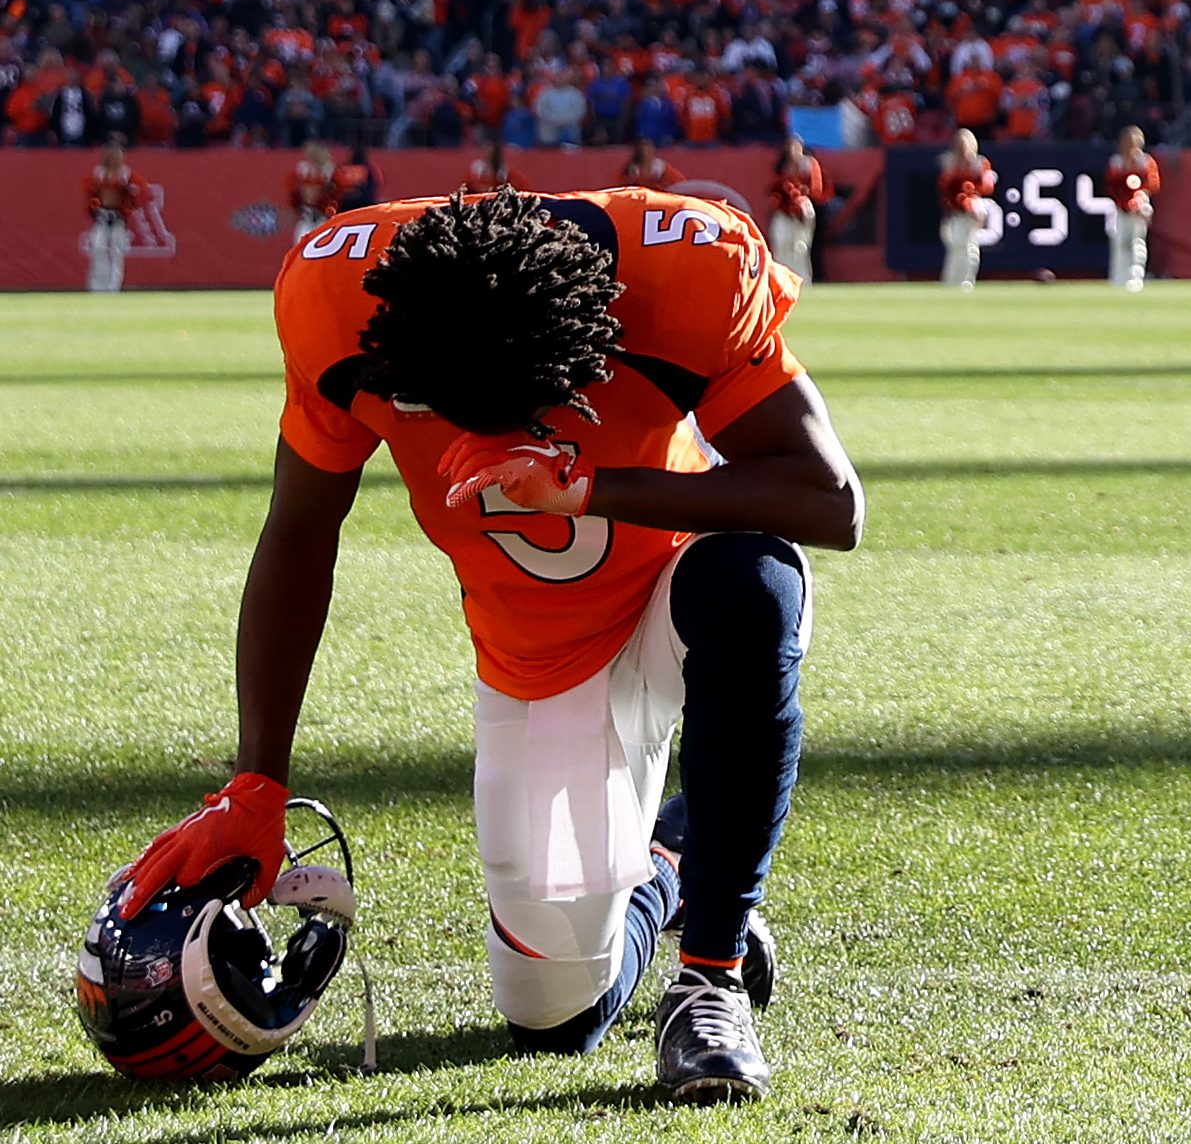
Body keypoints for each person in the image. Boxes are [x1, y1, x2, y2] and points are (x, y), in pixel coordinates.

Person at [110, 177, 867, 1101]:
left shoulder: (682, 268)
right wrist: (256, 781)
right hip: (539, 665)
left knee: (752, 582)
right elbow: (301, 529)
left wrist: (592, 488)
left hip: (677, 593)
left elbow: (827, 501)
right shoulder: (334, 296)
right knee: (555, 1020)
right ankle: (673, 863)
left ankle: (708, 980)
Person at [934, 128, 994, 292]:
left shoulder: (978, 164)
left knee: (969, 251)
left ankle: (964, 284)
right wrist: (968, 204)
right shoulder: (949, 165)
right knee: (959, 250)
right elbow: (952, 192)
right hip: (955, 216)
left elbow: (987, 186)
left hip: (968, 215)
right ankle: (953, 284)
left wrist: (973, 202)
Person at [1104, 125, 1162, 292]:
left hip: (1140, 207)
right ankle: (1118, 277)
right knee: (1119, 242)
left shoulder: (1146, 161)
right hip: (1121, 208)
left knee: (1137, 242)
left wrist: (1139, 199)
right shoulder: (1117, 162)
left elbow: (1153, 184)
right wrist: (1124, 201)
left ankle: (1135, 277)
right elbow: (1111, 186)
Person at [764, 138, 828, 284]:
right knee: (781, 244)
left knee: (800, 247)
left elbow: (816, 189)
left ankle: (802, 281)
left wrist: (799, 196)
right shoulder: (782, 166)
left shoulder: (808, 164)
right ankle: (780, 280)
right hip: (784, 212)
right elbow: (775, 189)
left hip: (802, 210)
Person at [86, 131, 135, 294]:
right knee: (98, 247)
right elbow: (92, 195)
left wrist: (123, 213)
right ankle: (98, 284)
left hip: (118, 217)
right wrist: (97, 210)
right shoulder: (98, 173)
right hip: (102, 216)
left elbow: (132, 198)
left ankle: (114, 286)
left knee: (116, 250)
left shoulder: (126, 174)